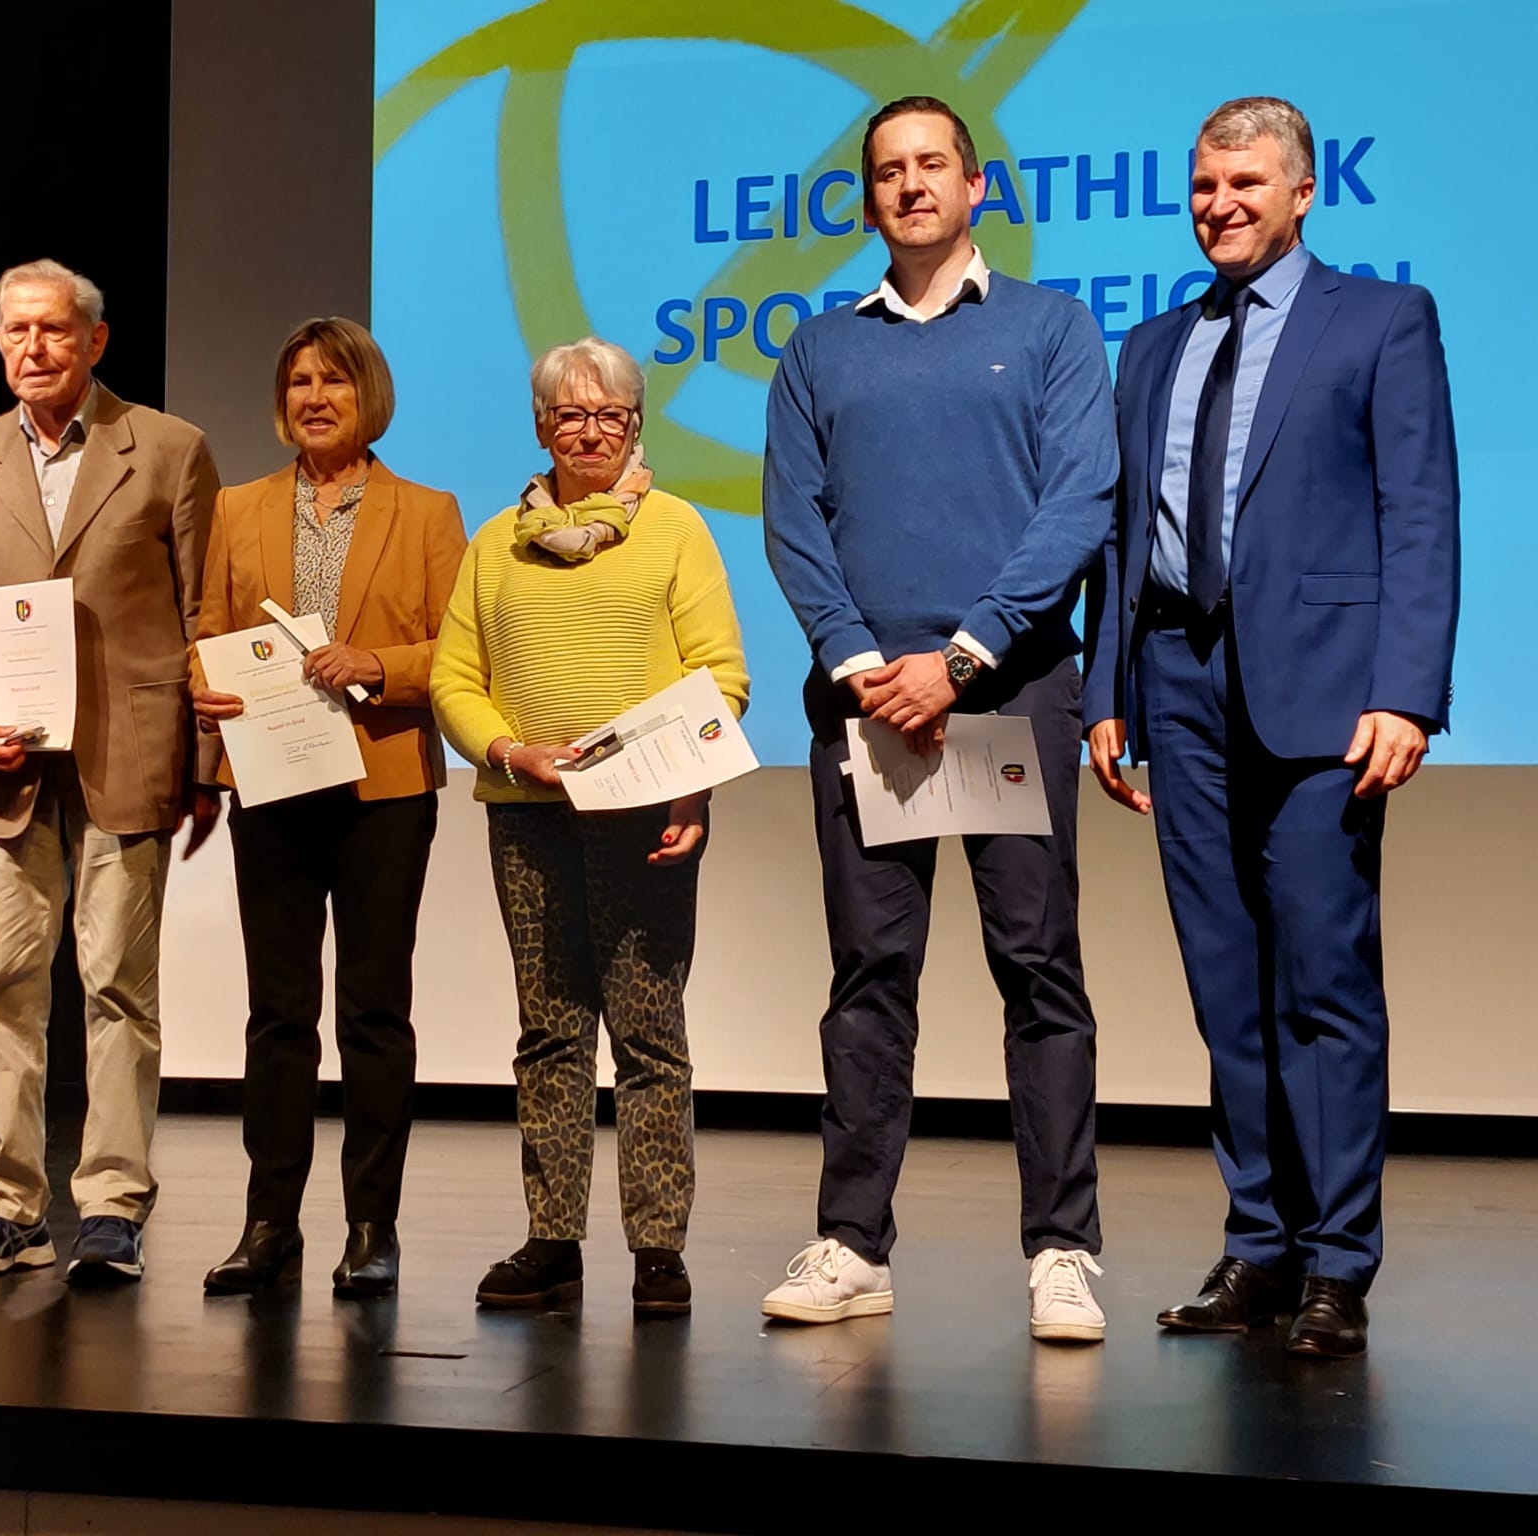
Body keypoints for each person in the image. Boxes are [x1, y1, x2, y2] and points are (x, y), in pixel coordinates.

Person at [1082, 97, 1458, 1360]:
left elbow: (1419, 512)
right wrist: (1107, 691)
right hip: (1176, 686)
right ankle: (1257, 1243)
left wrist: (1405, 691)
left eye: (1243, 183)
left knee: (1321, 983)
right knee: (1224, 987)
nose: (1218, 204)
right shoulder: (1152, 344)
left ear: (1301, 192)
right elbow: (1122, 539)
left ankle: (1335, 1263)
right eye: (1202, 185)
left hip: (1325, 699)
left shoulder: (1380, 319)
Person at [759, 95, 1116, 1342]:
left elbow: (1079, 504)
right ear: (866, 199)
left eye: (930, 165)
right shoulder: (817, 350)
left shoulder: (1052, 328)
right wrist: (866, 665)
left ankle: (1062, 1250)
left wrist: (959, 659)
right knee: (869, 976)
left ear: (974, 186)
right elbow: (793, 523)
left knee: (1037, 969)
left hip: (1007, 692)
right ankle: (853, 1245)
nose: (909, 184)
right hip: (866, 708)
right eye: (886, 171)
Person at [431, 336, 748, 1318]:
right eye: (569, 414)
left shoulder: (676, 530)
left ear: (634, 424)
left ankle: (658, 1248)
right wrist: (509, 753)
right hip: (529, 818)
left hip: (643, 817)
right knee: (549, 1031)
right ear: (540, 427)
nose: (589, 431)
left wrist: (691, 791)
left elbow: (720, 677)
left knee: (649, 1034)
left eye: (609, 415)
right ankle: (552, 1239)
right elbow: (453, 680)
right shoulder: (494, 543)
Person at [0, 259, 221, 1285]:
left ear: (95, 340)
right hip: (4, 768)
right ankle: (7, 1206)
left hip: (126, 758)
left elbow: (203, 617)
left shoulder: (168, 447)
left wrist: (206, 765)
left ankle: (112, 1204)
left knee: (117, 989)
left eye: (52, 330)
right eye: (15, 330)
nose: (32, 348)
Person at [189, 318, 466, 1300]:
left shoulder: (426, 512)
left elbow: (459, 649)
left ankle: (371, 1227)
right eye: (299, 381)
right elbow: (207, 632)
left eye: (334, 382)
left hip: (382, 787)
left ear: (368, 396)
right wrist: (204, 693)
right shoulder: (237, 508)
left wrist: (376, 665)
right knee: (277, 1013)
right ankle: (269, 1224)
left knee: (373, 1011)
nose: (314, 397)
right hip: (269, 784)